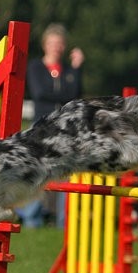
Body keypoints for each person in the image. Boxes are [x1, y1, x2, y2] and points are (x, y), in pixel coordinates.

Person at [18, 23, 84, 228]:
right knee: (36, 173)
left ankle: (63, 221)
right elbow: (39, 93)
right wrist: (65, 94)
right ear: (45, 44)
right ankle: (31, 216)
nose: (56, 47)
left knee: (64, 173)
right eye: (52, 43)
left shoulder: (69, 70)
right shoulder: (36, 67)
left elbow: (76, 94)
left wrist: (77, 69)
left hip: (65, 128)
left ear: (64, 47)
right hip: (40, 128)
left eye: (60, 43)